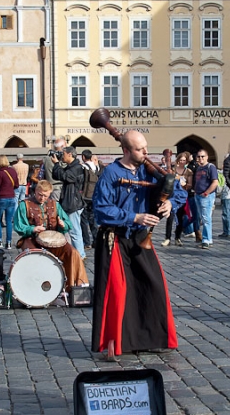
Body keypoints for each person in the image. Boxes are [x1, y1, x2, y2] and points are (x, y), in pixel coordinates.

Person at [91, 130, 186, 356]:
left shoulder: (148, 170)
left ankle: (151, 338)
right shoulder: (111, 173)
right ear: (126, 150)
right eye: (139, 149)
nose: (145, 152)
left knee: (154, 286)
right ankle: (116, 342)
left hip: (141, 238)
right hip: (115, 238)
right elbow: (101, 209)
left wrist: (170, 204)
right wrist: (134, 217)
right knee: (118, 292)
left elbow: (178, 192)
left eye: (145, 147)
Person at [12, 180, 88, 290]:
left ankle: (76, 286)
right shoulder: (25, 205)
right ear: (35, 191)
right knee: (34, 256)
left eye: (45, 196)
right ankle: (35, 287)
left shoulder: (55, 205)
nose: (42, 198)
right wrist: (32, 229)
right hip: (32, 239)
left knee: (73, 252)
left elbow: (68, 223)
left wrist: (63, 225)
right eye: (40, 195)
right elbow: (18, 225)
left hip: (53, 239)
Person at [52, 145, 87, 258]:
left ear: (70, 154)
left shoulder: (76, 168)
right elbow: (57, 176)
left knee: (74, 230)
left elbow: (65, 176)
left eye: (63, 153)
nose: (62, 156)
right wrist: (57, 165)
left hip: (73, 203)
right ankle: (72, 253)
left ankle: (80, 255)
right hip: (69, 202)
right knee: (68, 229)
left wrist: (57, 164)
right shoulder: (71, 167)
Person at [163, 151, 192, 246]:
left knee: (180, 218)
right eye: (181, 160)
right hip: (172, 196)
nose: (182, 162)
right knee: (170, 218)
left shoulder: (188, 171)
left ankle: (177, 238)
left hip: (182, 197)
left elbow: (190, 185)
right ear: (178, 160)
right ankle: (167, 238)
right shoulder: (173, 170)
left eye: (184, 160)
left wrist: (185, 185)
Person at [192, 149, 218, 250]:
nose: (200, 158)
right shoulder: (199, 168)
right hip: (198, 195)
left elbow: (215, 182)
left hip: (206, 196)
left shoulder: (210, 167)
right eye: (198, 156)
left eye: (202, 156)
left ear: (207, 157)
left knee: (206, 218)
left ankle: (206, 240)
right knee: (203, 218)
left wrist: (206, 192)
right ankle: (208, 239)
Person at [0, 155, 19, 249]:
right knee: (9, 220)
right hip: (12, 197)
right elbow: (16, 185)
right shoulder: (13, 171)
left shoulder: (0, 173)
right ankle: (8, 242)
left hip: (2, 197)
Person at [80, 149, 100, 249]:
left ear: (83, 157)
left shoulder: (83, 167)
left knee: (83, 220)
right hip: (94, 196)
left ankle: (86, 242)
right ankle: (96, 240)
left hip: (85, 196)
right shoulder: (97, 167)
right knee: (93, 219)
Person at [45, 137, 66, 201]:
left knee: (53, 205)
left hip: (51, 187)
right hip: (59, 187)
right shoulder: (62, 159)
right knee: (57, 206)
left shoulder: (47, 158)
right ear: (63, 146)